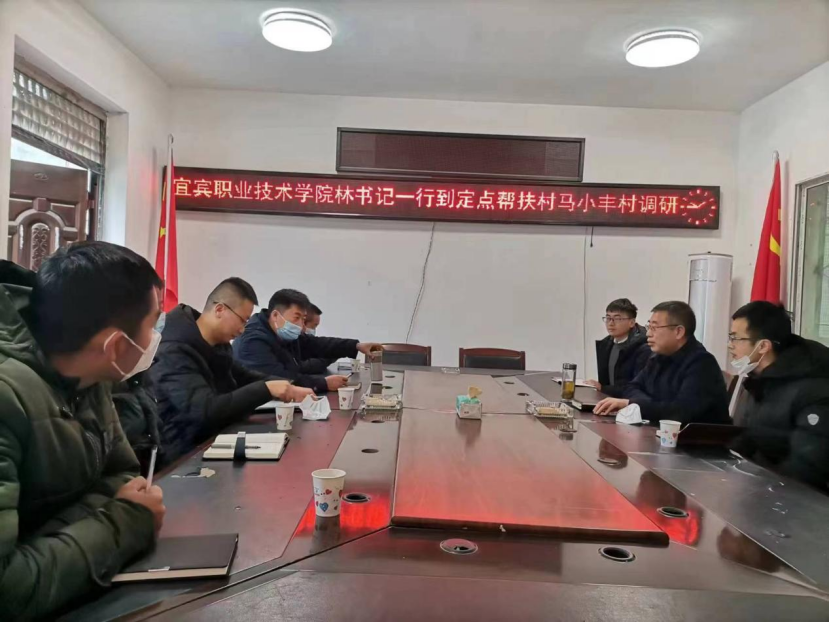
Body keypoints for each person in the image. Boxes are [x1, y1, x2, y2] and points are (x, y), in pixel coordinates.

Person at [0, 242, 166, 620]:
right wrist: (126, 521)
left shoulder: (90, 377)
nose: (157, 338)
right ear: (115, 345)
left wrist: (46, 539)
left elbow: (123, 475)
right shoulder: (7, 398)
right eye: (153, 323)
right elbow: (7, 592)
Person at [150, 278, 313, 463]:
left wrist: (287, 386)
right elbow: (205, 411)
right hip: (183, 455)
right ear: (220, 309)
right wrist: (267, 389)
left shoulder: (218, 344)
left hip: (218, 440)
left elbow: (243, 376)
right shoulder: (173, 350)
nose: (243, 330)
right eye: (242, 320)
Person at [728, 301, 828, 490]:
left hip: (797, 498)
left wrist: (757, 489)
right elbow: (751, 437)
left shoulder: (814, 390)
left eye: (735, 338)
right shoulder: (762, 380)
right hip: (762, 486)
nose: (730, 345)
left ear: (763, 346)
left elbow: (807, 469)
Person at [594, 301, 729, 424]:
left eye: (654, 328)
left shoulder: (702, 364)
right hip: (659, 433)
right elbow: (632, 387)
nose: (648, 333)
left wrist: (636, 404)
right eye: (649, 326)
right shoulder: (658, 357)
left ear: (678, 332)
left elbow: (680, 412)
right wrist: (640, 404)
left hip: (697, 441)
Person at [233, 289, 382, 393]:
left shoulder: (282, 331)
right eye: (296, 318)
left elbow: (315, 344)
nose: (300, 326)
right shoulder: (253, 341)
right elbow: (279, 380)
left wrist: (356, 346)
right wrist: (323, 383)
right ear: (275, 315)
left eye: (303, 319)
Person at [586, 298, 651, 396]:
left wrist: (603, 388)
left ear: (631, 322)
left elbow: (638, 386)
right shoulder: (606, 344)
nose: (611, 323)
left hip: (632, 402)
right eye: (608, 318)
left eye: (617, 319)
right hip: (609, 399)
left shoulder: (644, 347)